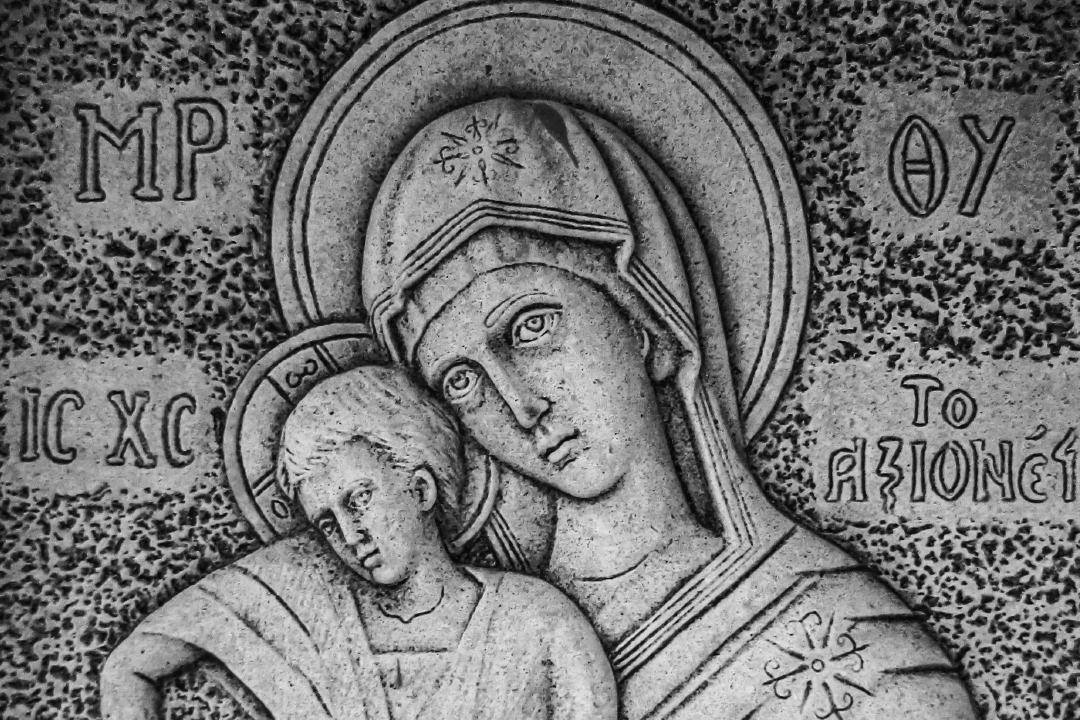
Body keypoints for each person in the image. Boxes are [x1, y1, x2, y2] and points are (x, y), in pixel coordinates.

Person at [361, 97, 981, 719]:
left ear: (642, 323)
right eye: (462, 382)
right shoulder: (478, 646)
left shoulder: (833, 634)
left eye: (532, 328)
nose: (521, 406)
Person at [99, 365, 616, 720]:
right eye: (326, 522)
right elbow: (130, 667)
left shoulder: (537, 622)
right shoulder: (306, 603)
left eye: (359, 499)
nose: (349, 535)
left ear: (420, 487)